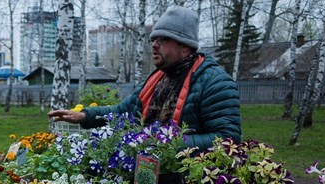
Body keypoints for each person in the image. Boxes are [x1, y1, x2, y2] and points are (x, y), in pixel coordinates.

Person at [48, 5, 241, 150]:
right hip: (149, 174)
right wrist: (84, 116)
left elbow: (227, 139)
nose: (155, 45)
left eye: (164, 39)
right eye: (153, 39)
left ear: (185, 46)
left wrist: (165, 141)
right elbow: (122, 111)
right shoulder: (157, 79)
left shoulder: (214, 82)